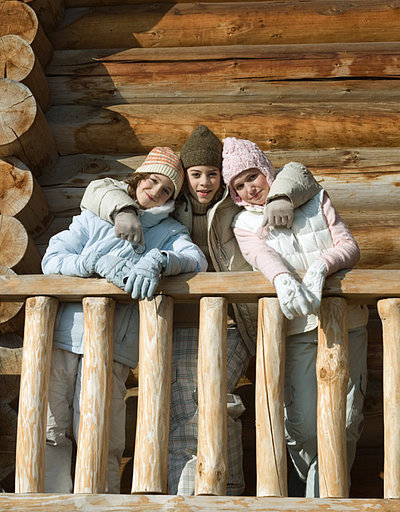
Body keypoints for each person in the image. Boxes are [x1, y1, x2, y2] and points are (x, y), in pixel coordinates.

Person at [79, 125, 322, 495]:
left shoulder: (235, 205)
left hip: (235, 323)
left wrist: (280, 196)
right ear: (185, 178)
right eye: (195, 174)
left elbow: (295, 172)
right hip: (179, 325)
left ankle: (205, 493)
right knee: (189, 407)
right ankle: (208, 491)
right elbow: (101, 188)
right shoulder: (168, 205)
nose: (204, 182)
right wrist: (125, 210)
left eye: (212, 174)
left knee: (207, 399)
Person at [41, 147, 207, 494]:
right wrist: (90, 264)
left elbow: (195, 260)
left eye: (167, 191)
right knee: (50, 428)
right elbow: (53, 258)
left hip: (115, 346)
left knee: (102, 431)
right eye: (153, 181)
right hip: (65, 337)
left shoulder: (170, 231)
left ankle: (100, 502)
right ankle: (47, 501)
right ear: (138, 177)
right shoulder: (96, 217)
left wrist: (159, 260)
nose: (156, 192)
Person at [221, 136, 368, 497]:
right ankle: (312, 481)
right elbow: (262, 258)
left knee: (346, 418)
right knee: (301, 424)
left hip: (345, 322)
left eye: (252, 176)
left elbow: (348, 246)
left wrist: (321, 267)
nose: (249, 188)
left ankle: (324, 496)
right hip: (296, 326)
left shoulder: (315, 199)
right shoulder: (243, 223)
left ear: (265, 170)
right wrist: (284, 279)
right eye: (238, 185)